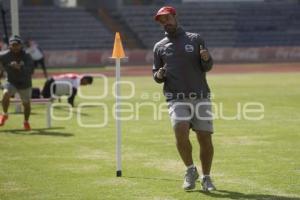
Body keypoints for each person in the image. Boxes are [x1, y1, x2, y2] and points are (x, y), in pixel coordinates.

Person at [152, 6, 216, 191]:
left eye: (167, 18)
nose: (165, 22)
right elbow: (155, 75)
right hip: (175, 98)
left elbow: (207, 66)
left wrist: (206, 58)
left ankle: (206, 177)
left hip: (200, 96)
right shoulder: (159, 47)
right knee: (180, 129)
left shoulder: (195, 39)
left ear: (174, 16)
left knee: (204, 138)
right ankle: (190, 170)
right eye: (161, 20)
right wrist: (160, 75)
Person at [0, 35, 34, 130]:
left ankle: (26, 121)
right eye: (13, 45)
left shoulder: (27, 56)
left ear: (21, 45)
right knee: (5, 93)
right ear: (9, 46)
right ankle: (5, 114)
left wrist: (20, 67)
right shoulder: (4, 55)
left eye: (17, 45)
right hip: (11, 81)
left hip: (25, 83)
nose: (15, 47)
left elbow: (31, 70)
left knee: (26, 104)